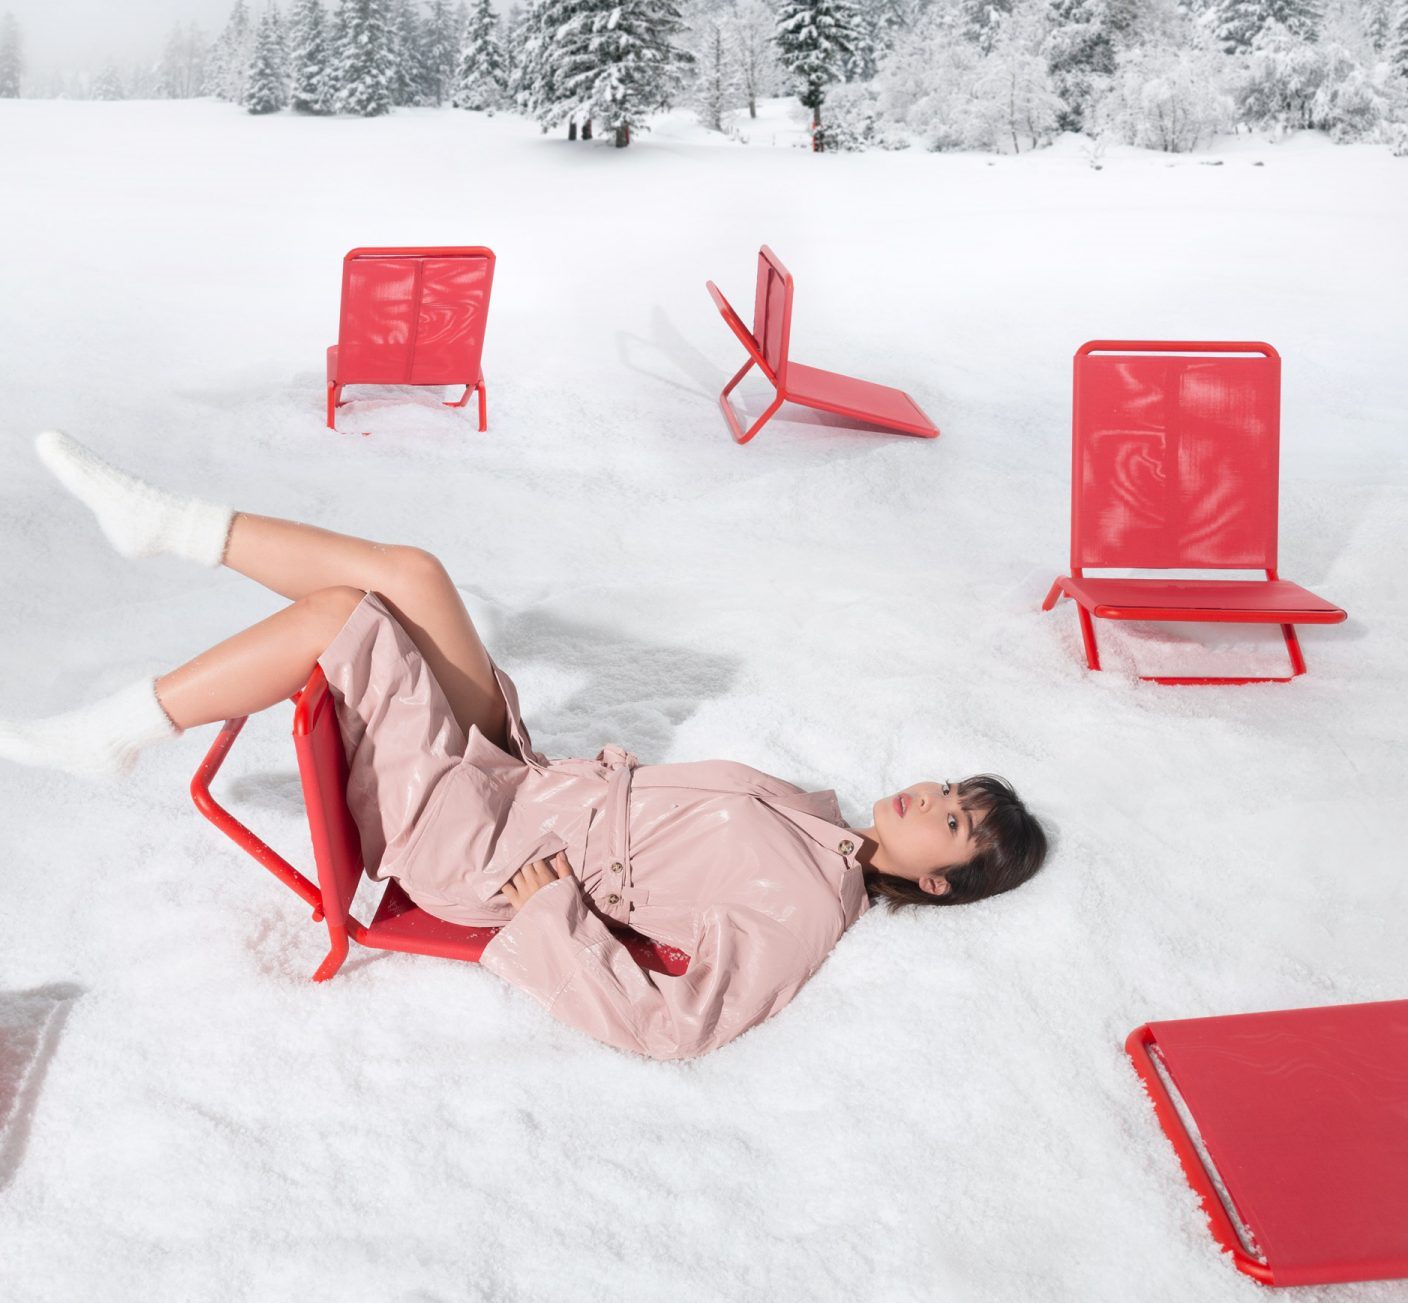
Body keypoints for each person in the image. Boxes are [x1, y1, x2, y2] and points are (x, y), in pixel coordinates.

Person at [0, 431, 1048, 1059]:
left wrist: (552, 911)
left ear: (939, 882)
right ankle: (170, 523)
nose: (929, 797)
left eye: (954, 822)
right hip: (520, 786)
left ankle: (114, 731)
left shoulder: (809, 902)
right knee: (414, 572)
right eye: (950, 788)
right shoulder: (816, 819)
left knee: (339, 620)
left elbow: (676, 1026)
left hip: (481, 850)